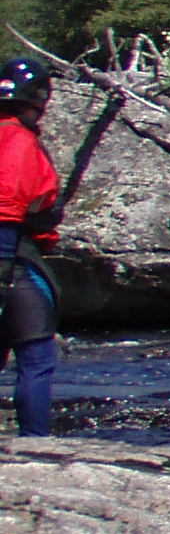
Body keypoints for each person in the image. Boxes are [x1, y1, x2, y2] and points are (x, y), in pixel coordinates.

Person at [0, 58, 63, 437]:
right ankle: (35, 445)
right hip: (12, 254)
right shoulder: (25, 143)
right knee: (36, 357)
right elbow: (42, 200)